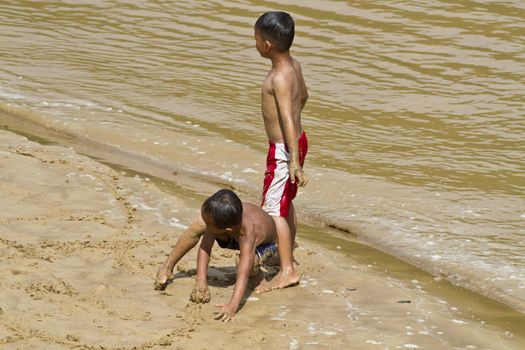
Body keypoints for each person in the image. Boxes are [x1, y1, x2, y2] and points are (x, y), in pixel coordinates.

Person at [154, 189, 278, 321]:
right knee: (198, 224)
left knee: (244, 262)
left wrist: (232, 306)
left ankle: (259, 279)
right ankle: (167, 267)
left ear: (227, 229)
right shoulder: (224, 217)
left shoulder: (248, 233)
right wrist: (201, 281)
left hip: (269, 246)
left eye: (209, 224)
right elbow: (205, 247)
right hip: (233, 235)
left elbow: (243, 273)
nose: (206, 225)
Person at [253, 11, 309, 293]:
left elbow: (287, 116)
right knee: (286, 202)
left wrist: (293, 162)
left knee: (274, 208)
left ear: (266, 46)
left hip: (284, 151)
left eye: (256, 38)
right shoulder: (294, 66)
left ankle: (287, 269)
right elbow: (305, 98)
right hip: (297, 141)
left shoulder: (278, 76)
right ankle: (286, 255)